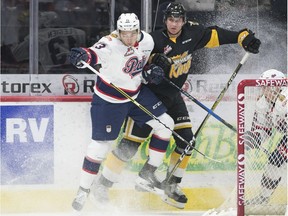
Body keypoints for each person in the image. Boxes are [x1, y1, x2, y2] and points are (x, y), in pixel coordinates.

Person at [93, 2, 261, 209]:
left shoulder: (193, 33)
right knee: (130, 144)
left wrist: (242, 37)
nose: (174, 24)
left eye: (178, 20)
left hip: (173, 98)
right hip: (150, 98)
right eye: (171, 20)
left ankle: (170, 184)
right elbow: (129, 58)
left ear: (183, 20)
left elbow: (216, 35)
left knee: (187, 142)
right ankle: (103, 184)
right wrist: (151, 67)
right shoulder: (152, 39)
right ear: (165, 20)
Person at [68, 13, 175, 211]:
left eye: (132, 33)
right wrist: (82, 55)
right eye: (124, 34)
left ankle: (147, 174)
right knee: (100, 146)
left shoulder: (148, 41)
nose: (128, 38)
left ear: (138, 30)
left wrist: (149, 73)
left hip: (136, 95)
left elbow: (139, 70)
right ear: (118, 31)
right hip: (109, 101)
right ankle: (83, 190)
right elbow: (93, 53)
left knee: (166, 125)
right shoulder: (109, 44)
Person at [245, 69, 287, 205]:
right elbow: (264, 130)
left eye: (266, 86)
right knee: (274, 162)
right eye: (263, 86)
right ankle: (263, 198)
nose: (263, 90)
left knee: (277, 159)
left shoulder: (285, 98)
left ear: (277, 87)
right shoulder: (263, 103)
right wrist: (254, 138)